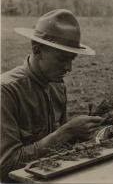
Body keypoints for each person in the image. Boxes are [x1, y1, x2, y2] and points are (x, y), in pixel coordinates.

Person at [0, 9, 104, 182]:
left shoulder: (57, 87)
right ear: (37, 50)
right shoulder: (6, 92)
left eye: (72, 59)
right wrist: (66, 132)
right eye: (62, 59)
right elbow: (5, 166)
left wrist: (77, 135)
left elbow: (59, 150)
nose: (69, 68)